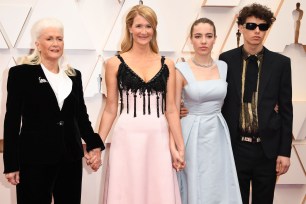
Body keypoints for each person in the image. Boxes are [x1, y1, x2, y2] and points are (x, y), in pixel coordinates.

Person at [181, 3, 293, 204]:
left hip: (267, 148)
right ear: (240, 27)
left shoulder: (281, 64)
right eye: (251, 26)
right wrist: (185, 107)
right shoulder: (226, 61)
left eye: (262, 26)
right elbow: (213, 95)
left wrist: (284, 152)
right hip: (234, 146)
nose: (257, 31)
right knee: (233, 200)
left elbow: (286, 109)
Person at [3, 18, 105, 204]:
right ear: (38, 44)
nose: (56, 43)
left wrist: (93, 144)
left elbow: (81, 116)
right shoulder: (20, 74)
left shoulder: (74, 76)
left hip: (70, 158)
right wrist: (11, 164)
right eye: (49, 38)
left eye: (60, 38)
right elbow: (12, 121)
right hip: (34, 160)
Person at [98, 4, 185, 204]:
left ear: (154, 29)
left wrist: (180, 147)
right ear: (129, 28)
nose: (143, 31)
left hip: (158, 136)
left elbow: (171, 109)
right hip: (126, 135)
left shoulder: (168, 64)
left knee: (159, 189)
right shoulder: (114, 63)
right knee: (126, 190)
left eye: (148, 26)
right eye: (139, 26)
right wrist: (97, 145)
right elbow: (111, 108)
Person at [175, 17, 242, 204]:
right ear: (191, 39)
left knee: (218, 180)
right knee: (195, 180)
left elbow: (234, 99)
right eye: (198, 36)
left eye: (208, 36)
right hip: (191, 131)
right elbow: (171, 108)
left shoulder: (224, 66)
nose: (203, 41)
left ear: (215, 39)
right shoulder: (180, 69)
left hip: (218, 131)